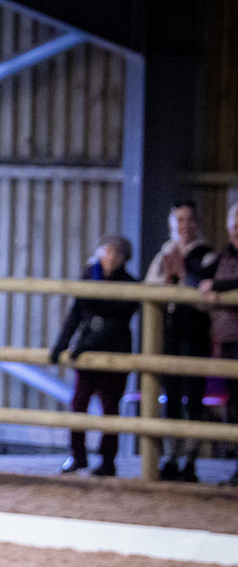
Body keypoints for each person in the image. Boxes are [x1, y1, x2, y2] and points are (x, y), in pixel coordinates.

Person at [49, 234, 139, 477]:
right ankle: (77, 455)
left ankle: (107, 460)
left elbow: (117, 323)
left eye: (116, 253)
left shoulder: (130, 284)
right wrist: (61, 344)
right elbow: (76, 313)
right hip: (86, 352)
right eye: (107, 251)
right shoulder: (88, 278)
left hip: (113, 352)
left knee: (110, 406)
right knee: (78, 402)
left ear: (124, 259)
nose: (110, 257)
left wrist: (84, 345)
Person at [144, 200, 215, 481]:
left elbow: (206, 291)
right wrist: (168, 281)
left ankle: (191, 460)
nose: (184, 227)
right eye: (179, 221)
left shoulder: (207, 255)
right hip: (171, 332)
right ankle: (171, 457)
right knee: (171, 397)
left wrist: (184, 276)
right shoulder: (164, 254)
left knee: (194, 397)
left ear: (196, 224)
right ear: (171, 225)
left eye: (189, 221)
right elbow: (151, 286)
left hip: (197, 333)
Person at [198, 203, 238, 485]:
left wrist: (217, 288)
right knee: (234, 406)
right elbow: (200, 275)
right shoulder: (222, 256)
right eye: (236, 226)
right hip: (228, 341)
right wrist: (204, 284)